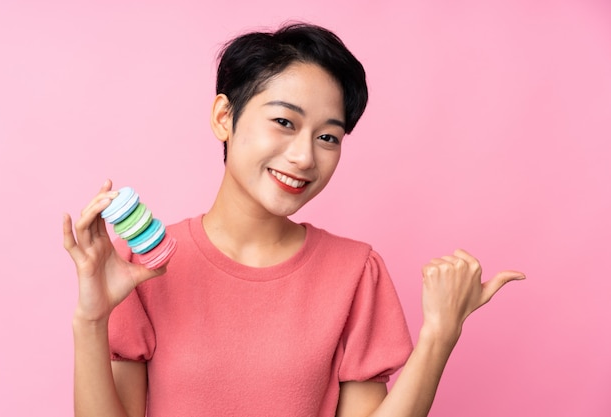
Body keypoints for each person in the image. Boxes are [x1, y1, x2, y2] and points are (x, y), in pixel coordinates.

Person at [63, 22, 525, 417]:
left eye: (328, 136)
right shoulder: (144, 266)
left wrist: (439, 336)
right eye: (285, 122)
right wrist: (92, 317)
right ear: (225, 116)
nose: (305, 156)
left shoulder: (355, 272)